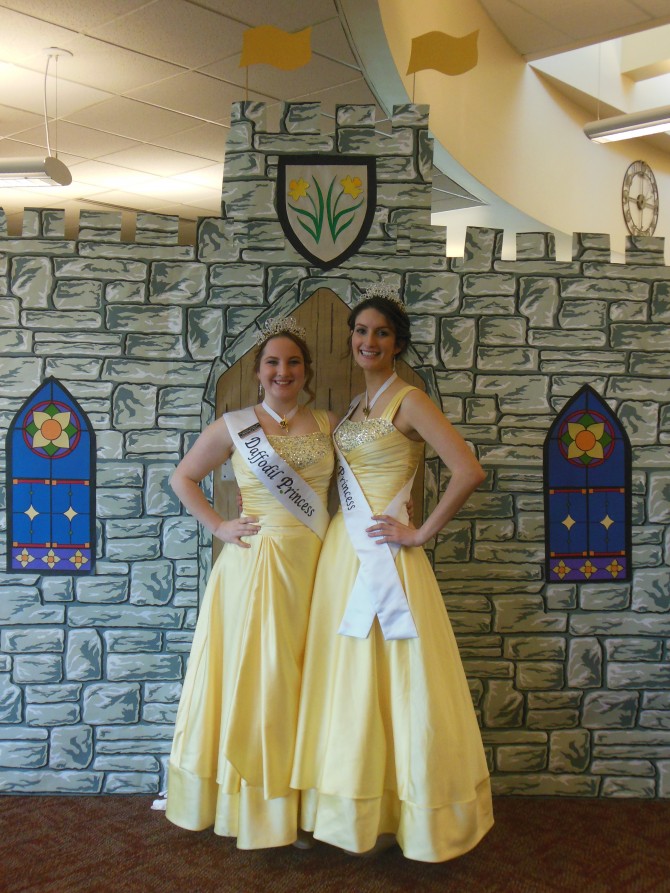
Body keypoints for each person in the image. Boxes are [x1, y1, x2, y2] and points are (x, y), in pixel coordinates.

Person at [291, 284, 494, 862]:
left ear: (397, 343)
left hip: (386, 556)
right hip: (341, 555)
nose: (368, 341)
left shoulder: (410, 400)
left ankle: (405, 817)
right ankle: (350, 809)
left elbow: (467, 470)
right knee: (346, 677)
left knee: (394, 681)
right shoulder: (352, 410)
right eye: (360, 331)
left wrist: (421, 532)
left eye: (380, 333)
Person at [166, 318, 336, 849]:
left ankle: (309, 804)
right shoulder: (234, 425)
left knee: (313, 678)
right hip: (254, 565)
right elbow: (182, 478)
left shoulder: (331, 424)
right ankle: (260, 807)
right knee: (262, 677)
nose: (282, 371)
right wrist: (218, 524)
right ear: (259, 371)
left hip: (316, 565)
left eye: (292, 362)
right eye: (272, 362)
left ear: (306, 371)